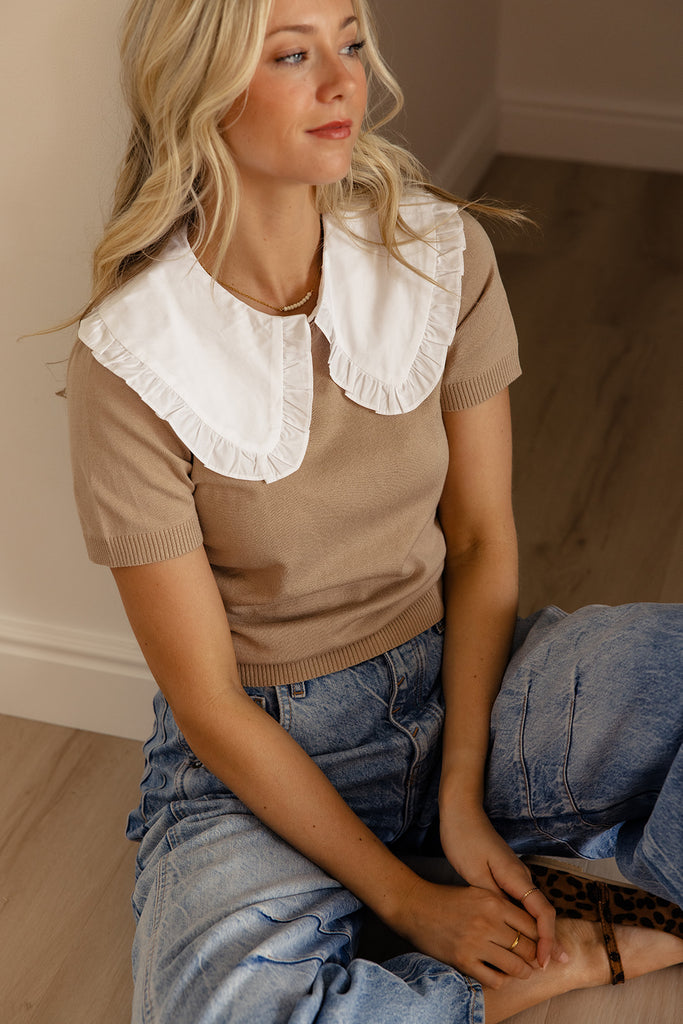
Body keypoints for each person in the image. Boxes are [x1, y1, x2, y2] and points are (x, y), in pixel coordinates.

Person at [66, 0, 683, 1021]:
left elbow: (479, 541)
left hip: (461, 685)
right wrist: (410, 902)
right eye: (291, 54)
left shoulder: (437, 254)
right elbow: (209, 703)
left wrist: (460, 795)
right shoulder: (133, 359)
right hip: (258, 755)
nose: (341, 80)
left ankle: (487, 896)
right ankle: (536, 961)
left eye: (349, 42)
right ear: (201, 87)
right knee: (218, 1008)